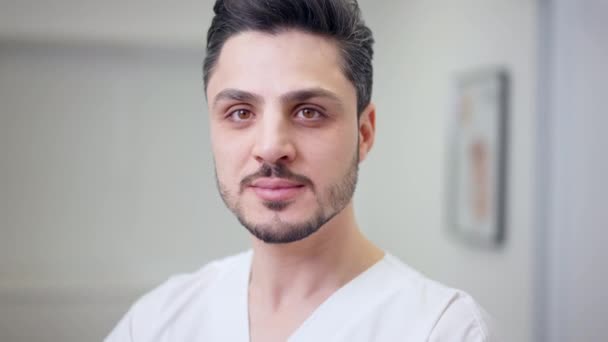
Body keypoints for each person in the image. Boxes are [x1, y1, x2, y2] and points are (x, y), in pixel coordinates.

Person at [106, 0, 491, 341]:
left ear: (365, 132)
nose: (271, 147)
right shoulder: (157, 321)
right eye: (240, 113)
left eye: (309, 112)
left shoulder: (441, 328)